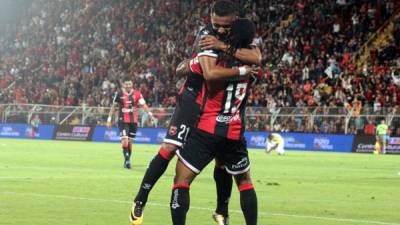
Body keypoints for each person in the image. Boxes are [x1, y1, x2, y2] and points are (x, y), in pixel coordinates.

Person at [129, 1, 261, 225]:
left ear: (235, 21)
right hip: (193, 99)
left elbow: (256, 56)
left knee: (219, 163)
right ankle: (141, 199)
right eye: (215, 24)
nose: (218, 30)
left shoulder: (241, 37)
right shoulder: (207, 36)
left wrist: (224, 49)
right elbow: (195, 70)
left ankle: (222, 211)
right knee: (170, 147)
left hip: (213, 113)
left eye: (225, 26)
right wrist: (194, 64)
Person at [170, 18, 259, 225]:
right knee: (244, 181)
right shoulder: (252, 60)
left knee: (181, 181)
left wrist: (190, 65)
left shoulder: (213, 54)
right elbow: (256, 56)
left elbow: (204, 73)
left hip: (206, 129)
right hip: (233, 131)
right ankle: (228, 215)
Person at [107, 76, 154, 169]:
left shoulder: (137, 94)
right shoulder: (119, 94)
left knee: (130, 142)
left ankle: (127, 159)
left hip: (133, 121)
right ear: (123, 85)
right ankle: (127, 160)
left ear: (132, 84)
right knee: (125, 139)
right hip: (122, 120)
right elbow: (113, 107)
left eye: (129, 84)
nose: (128, 85)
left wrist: (149, 114)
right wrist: (109, 119)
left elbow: (143, 104)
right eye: (126, 84)